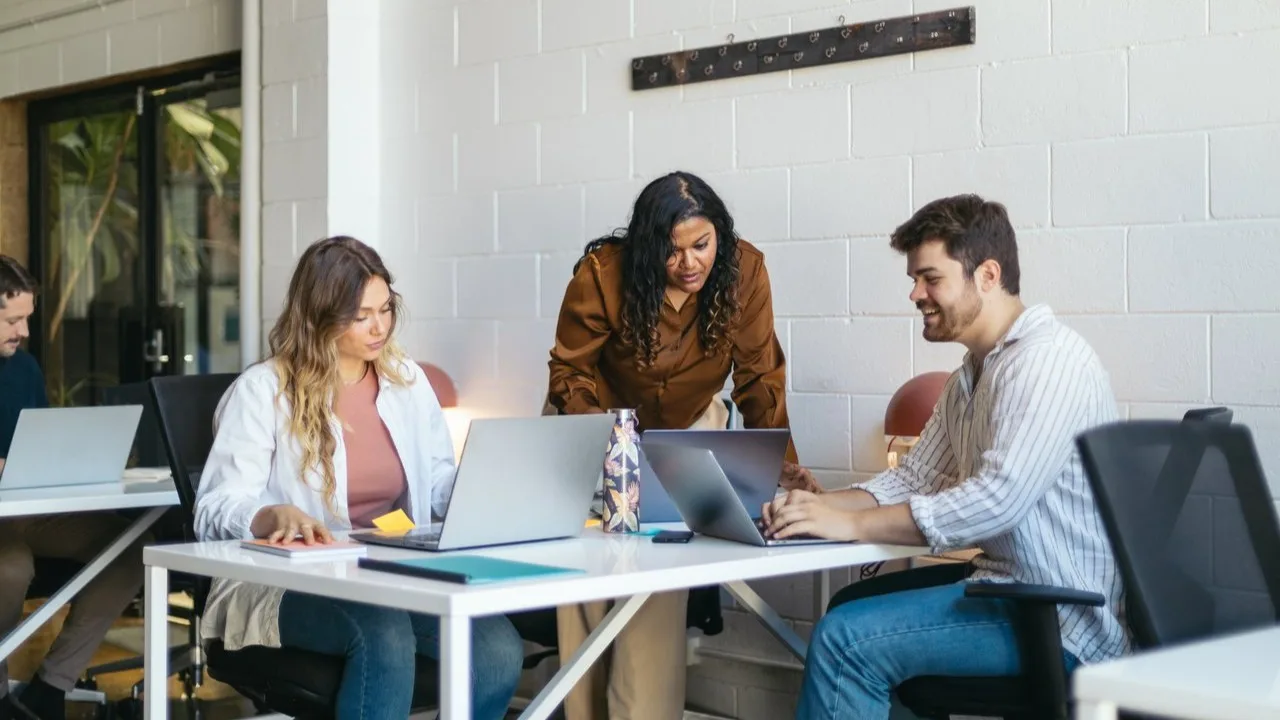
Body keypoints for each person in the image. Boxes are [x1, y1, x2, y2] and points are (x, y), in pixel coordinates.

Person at [763, 195, 1130, 719]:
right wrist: (813, 507)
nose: (915, 293)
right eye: (914, 279)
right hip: (1006, 590)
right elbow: (915, 478)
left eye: (930, 278)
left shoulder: (1047, 361)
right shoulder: (969, 376)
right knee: (847, 609)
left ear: (987, 274)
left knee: (845, 641)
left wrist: (851, 527)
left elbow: (996, 501)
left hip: (1060, 618)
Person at [195, 236, 523, 720]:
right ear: (320, 315)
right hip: (284, 581)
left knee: (495, 647)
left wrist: (484, 490)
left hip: (386, 568)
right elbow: (213, 508)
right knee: (383, 633)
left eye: (386, 309)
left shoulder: (406, 381)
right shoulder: (263, 390)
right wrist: (268, 515)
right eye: (362, 315)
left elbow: (435, 482)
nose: (380, 327)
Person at [546, 170, 815, 719]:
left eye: (702, 245)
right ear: (648, 247)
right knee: (586, 570)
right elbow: (568, 374)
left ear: (720, 234)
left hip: (687, 425)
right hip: (594, 420)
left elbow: (761, 378)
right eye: (672, 252)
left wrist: (783, 465)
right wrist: (615, 450)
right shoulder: (603, 274)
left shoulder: (746, 271)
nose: (690, 262)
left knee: (658, 568)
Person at [0, 255, 148, 720]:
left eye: (26, 318)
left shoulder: (23, 369)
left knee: (131, 545)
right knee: (11, 566)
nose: (24, 331)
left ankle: (51, 687)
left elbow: (38, 445)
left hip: (32, 508)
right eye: (12, 319)